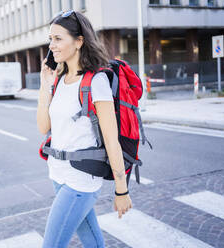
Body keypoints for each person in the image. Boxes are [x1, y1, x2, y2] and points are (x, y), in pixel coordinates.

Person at [37, 10, 133, 248]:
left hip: (80, 179)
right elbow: (43, 127)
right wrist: (44, 87)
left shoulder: (96, 82)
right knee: (91, 238)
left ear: (79, 41)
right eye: (51, 39)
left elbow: (112, 141)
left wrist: (121, 191)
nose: (52, 45)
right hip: (57, 175)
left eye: (58, 39)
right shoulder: (60, 79)